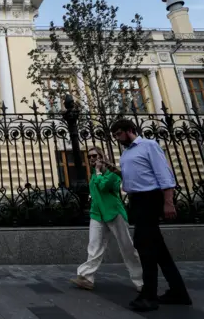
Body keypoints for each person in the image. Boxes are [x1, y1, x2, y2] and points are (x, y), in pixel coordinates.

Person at [110, 118, 191, 312]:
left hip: (150, 199)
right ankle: (178, 291)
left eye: (118, 134)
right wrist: (118, 172)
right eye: (114, 136)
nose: (117, 139)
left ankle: (149, 296)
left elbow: (164, 174)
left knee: (145, 247)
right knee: (158, 249)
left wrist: (168, 202)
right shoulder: (126, 153)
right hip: (136, 200)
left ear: (130, 130)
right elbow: (135, 176)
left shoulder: (149, 145)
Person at [70, 147, 143, 292]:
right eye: (89, 156)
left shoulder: (113, 174)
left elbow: (103, 187)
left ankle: (141, 281)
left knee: (127, 247)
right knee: (94, 246)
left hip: (114, 213)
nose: (91, 158)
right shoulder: (93, 174)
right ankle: (86, 277)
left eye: (94, 156)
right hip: (97, 215)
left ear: (102, 156)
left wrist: (98, 172)